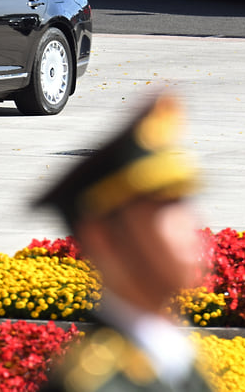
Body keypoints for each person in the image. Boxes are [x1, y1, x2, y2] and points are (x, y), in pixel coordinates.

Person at [32, 93, 215, 392]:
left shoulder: (176, 361)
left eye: (184, 204)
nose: (191, 226)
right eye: (164, 208)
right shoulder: (96, 384)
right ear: (101, 237)